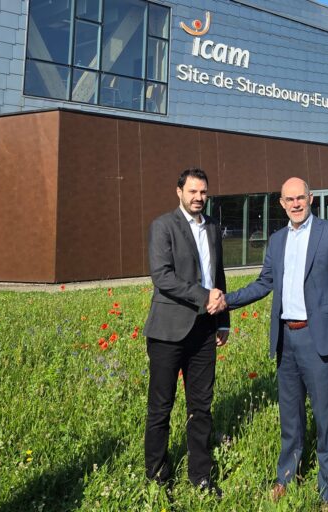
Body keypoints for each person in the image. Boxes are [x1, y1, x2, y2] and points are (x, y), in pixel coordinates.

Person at [220, 177, 328, 505]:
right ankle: (287, 476)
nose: (296, 203)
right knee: (290, 416)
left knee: (326, 416)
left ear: (311, 199)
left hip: (320, 339)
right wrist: (226, 300)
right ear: (282, 203)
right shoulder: (276, 240)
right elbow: (264, 283)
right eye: (290, 199)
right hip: (285, 340)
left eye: (301, 197)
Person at [142, 168, 229, 497]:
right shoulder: (163, 226)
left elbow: (218, 275)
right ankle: (157, 476)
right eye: (192, 191)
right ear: (179, 191)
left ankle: (201, 476)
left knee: (201, 407)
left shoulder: (212, 228)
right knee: (161, 408)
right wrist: (202, 295)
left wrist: (223, 319)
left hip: (205, 331)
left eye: (203, 192)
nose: (198, 198)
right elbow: (161, 276)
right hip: (168, 332)